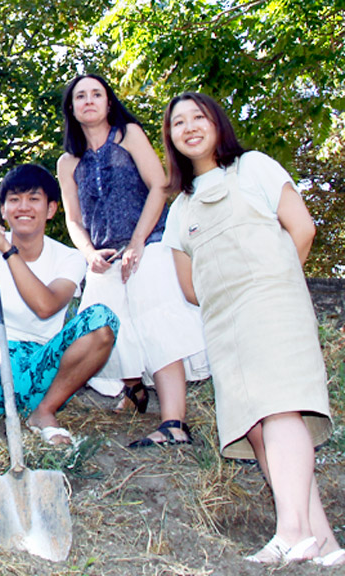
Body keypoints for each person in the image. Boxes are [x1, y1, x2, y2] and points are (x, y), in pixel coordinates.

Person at [161, 92, 341, 566]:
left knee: (280, 410)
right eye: (178, 123)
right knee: (259, 429)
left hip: (273, 304)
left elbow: (301, 230)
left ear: (217, 123)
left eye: (198, 117)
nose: (189, 127)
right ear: (171, 139)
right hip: (224, 324)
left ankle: (291, 531)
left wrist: (271, 282)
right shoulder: (179, 211)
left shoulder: (255, 168)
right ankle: (322, 542)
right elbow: (189, 287)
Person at [57, 74, 207, 448]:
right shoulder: (67, 162)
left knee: (158, 321)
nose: (89, 100)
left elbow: (160, 185)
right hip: (104, 255)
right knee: (99, 326)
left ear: (109, 102)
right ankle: (135, 389)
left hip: (149, 243)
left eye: (97, 94)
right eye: (80, 96)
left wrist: (139, 242)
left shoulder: (128, 135)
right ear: (72, 109)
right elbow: (73, 220)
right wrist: (89, 254)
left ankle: (174, 424)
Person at [0, 164, 119, 445]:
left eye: (33, 199)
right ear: (3, 210)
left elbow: (45, 306)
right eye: (14, 200)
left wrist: (8, 250)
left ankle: (44, 412)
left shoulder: (69, 258)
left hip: (40, 372)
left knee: (102, 321)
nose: (23, 207)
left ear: (51, 209)